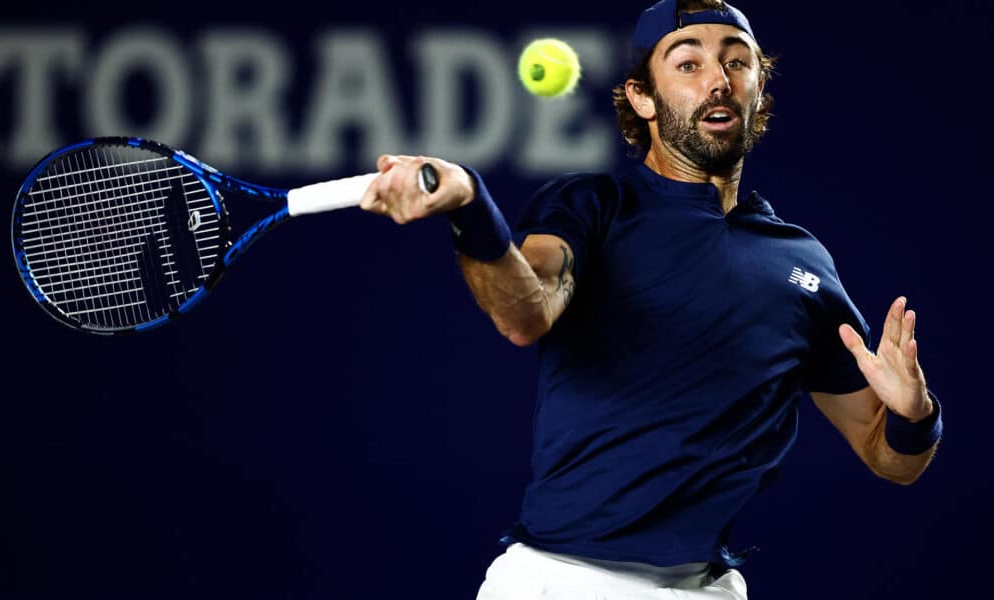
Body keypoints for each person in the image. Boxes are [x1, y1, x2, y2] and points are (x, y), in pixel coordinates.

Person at [359, 1, 943, 598]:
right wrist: (470, 206)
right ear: (642, 98)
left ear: (757, 89)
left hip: (706, 588)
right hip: (558, 584)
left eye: (736, 63)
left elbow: (888, 457)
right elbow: (524, 311)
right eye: (688, 64)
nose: (718, 79)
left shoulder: (803, 265)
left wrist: (914, 415)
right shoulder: (591, 209)